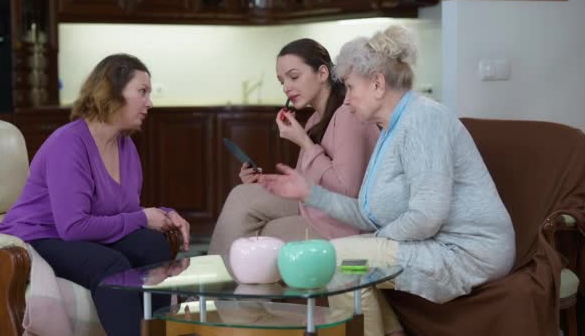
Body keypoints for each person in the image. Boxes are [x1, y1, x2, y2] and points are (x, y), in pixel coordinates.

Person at [258, 25, 516, 336]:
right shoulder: (391, 129)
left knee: (339, 262)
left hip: (467, 254)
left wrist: (374, 242)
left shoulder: (424, 120)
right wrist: (310, 193)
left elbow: (427, 215)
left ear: (378, 84)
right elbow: (368, 214)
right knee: (345, 262)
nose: (348, 99)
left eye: (351, 87)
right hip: (435, 244)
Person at [0, 53, 191, 336]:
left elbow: (122, 208)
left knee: (154, 247)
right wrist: (141, 218)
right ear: (112, 93)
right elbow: (74, 227)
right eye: (142, 92)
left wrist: (164, 214)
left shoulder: (126, 147)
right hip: (42, 235)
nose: (149, 102)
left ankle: (158, 333)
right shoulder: (68, 143)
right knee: (112, 265)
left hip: (77, 230)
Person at [208, 38, 380, 254]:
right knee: (243, 194)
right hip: (313, 209)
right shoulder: (315, 120)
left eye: (294, 77)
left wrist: (304, 142)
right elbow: (304, 183)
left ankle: (218, 278)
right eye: (282, 82)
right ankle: (223, 277)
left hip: (343, 223)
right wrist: (264, 181)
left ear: (322, 73)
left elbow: (346, 191)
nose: (287, 87)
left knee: (264, 231)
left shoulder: (348, 114)